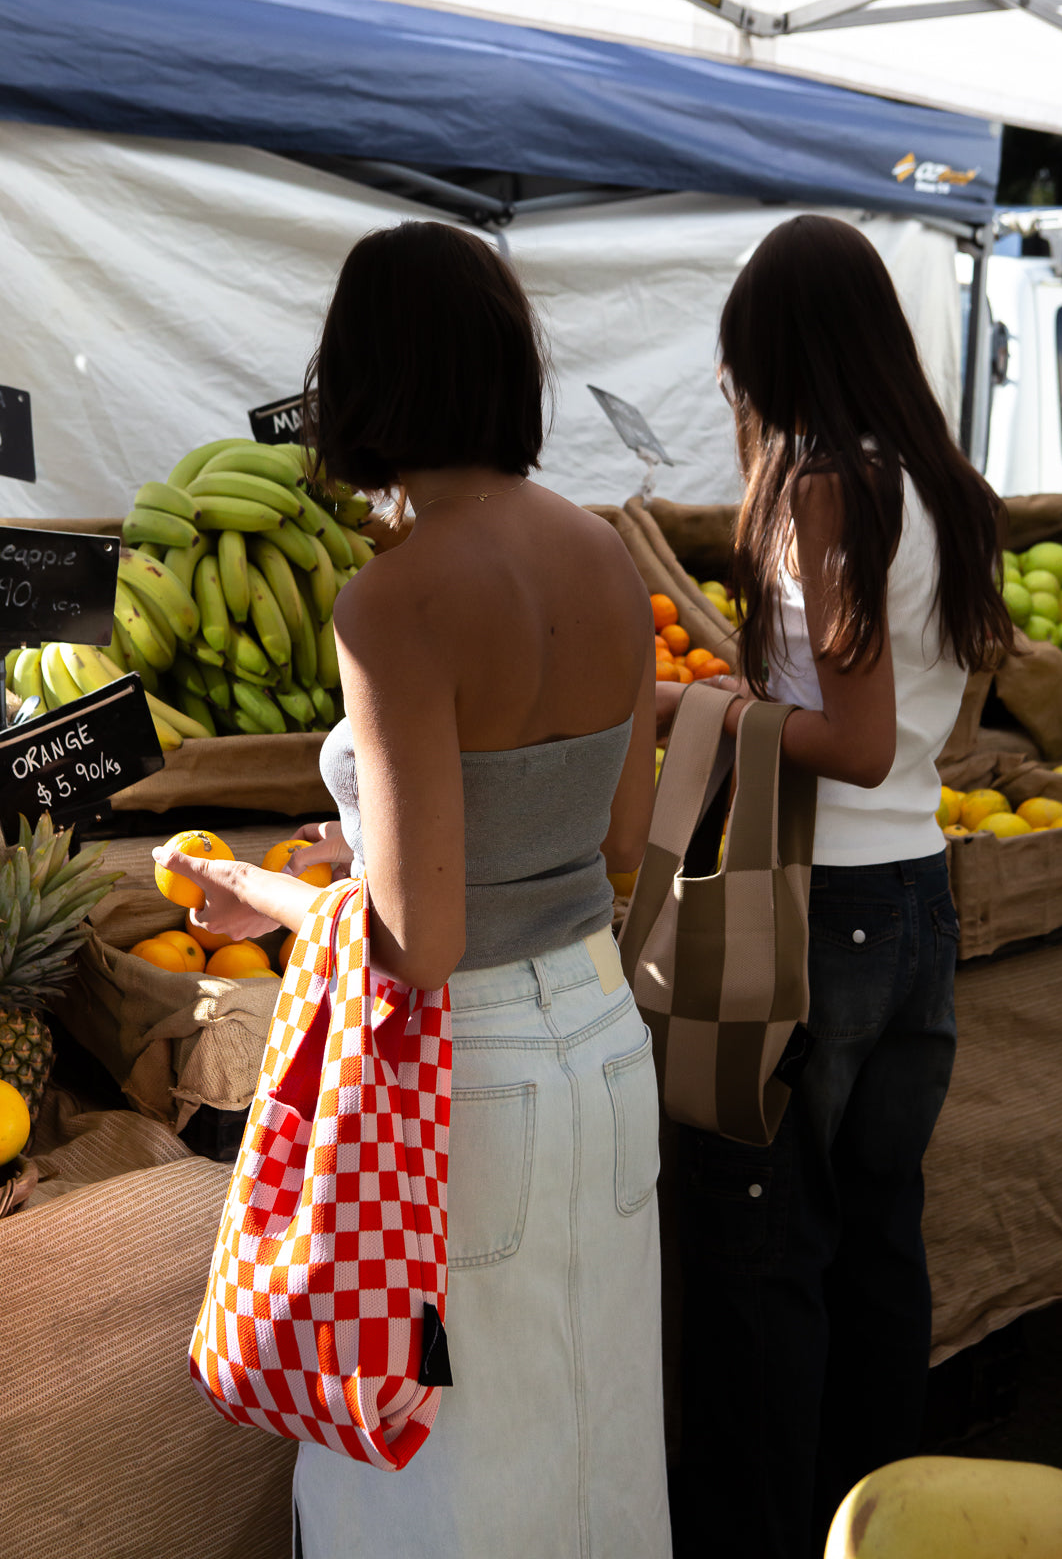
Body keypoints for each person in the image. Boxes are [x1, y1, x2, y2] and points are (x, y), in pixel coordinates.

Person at [153, 220, 671, 1559]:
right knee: (596, 1449)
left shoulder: (395, 600)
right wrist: (372, 857)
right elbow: (615, 838)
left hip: (466, 1082)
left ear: (366, 378)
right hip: (607, 1045)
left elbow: (420, 942)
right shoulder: (611, 557)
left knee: (442, 1492)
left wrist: (261, 890)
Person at [658, 214, 1014, 1559]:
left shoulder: (825, 488)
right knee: (876, 1246)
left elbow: (850, 743)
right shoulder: (936, 481)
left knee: (766, 1268)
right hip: (916, 897)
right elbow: (902, 733)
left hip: (820, 914)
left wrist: (694, 708)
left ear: (779, 353)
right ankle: (876, 1525)